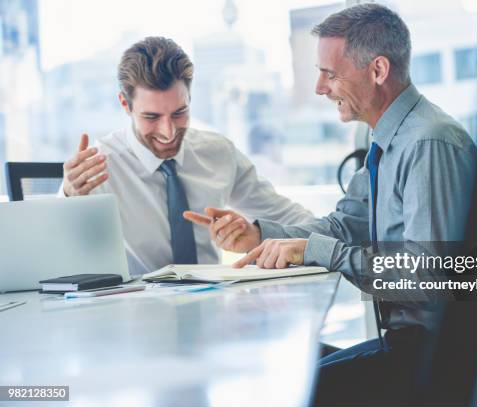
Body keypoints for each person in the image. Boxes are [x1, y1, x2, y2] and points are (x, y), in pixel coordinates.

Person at [186, 4, 477, 405]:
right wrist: (259, 236)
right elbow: (342, 227)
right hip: (408, 344)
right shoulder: (386, 140)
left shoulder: (427, 142)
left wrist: (324, 252)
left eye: (330, 74)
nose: (320, 88)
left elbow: (430, 280)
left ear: (378, 71)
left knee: (285, 389)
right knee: (284, 362)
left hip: (439, 355)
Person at [60, 36, 313, 274]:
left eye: (179, 112)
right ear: (125, 105)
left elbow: (292, 218)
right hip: (136, 308)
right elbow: (60, 254)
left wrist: (261, 235)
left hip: (214, 303)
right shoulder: (98, 166)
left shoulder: (217, 153)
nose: (168, 132)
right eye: (152, 117)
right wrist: (69, 197)